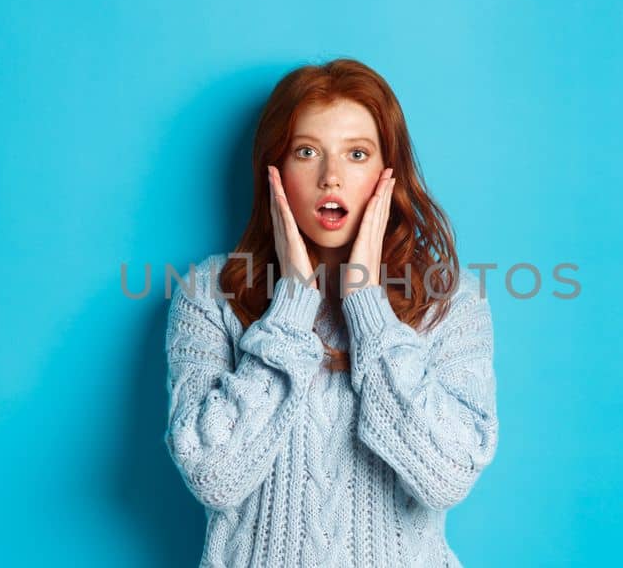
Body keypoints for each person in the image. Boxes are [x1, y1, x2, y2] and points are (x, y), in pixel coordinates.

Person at [163, 57, 499, 567]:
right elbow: (214, 475)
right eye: (307, 152)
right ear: (273, 168)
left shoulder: (449, 300)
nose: (331, 178)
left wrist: (366, 302)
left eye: (357, 154)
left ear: (389, 173)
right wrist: (293, 306)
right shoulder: (209, 294)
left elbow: (447, 476)